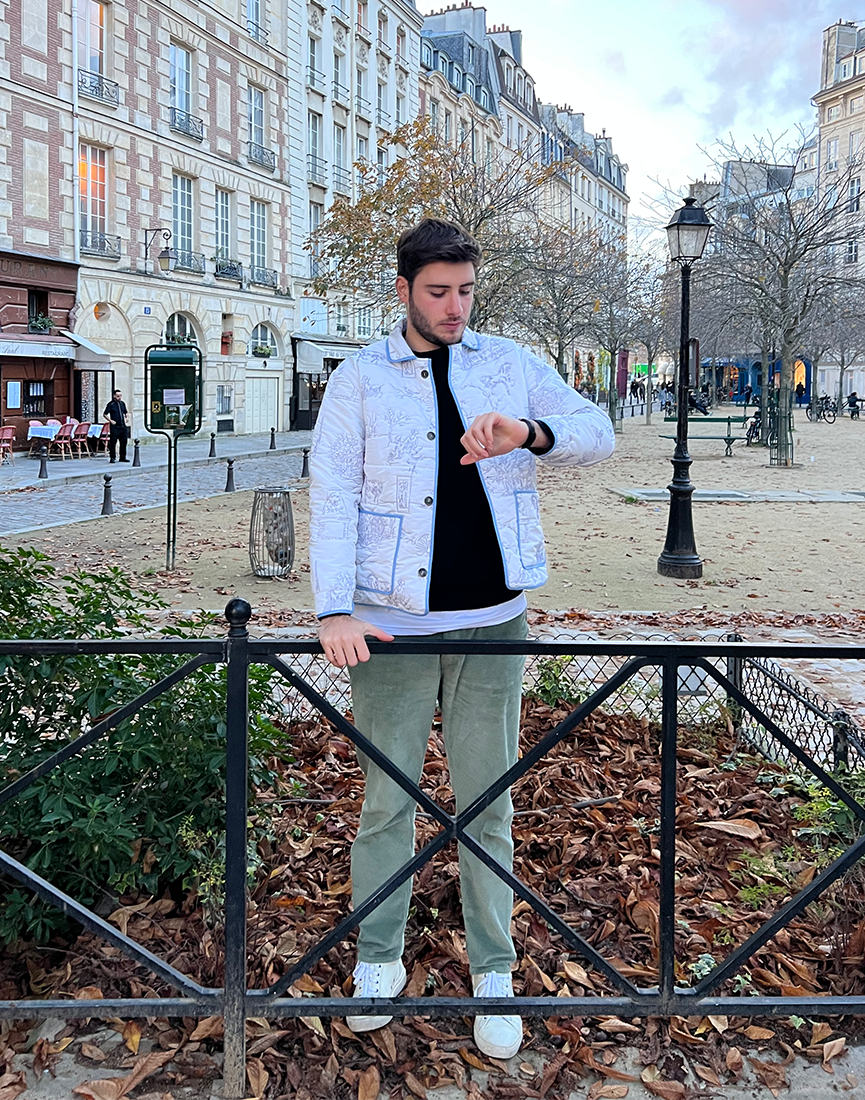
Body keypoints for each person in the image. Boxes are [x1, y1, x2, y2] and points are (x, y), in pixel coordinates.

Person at [309, 218, 614, 1060]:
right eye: (438, 291)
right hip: (389, 624)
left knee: (489, 804)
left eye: (466, 291)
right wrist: (333, 609)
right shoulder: (359, 379)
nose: (454, 307)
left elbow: (596, 431)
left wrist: (530, 433)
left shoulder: (509, 364)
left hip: (493, 621)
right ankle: (379, 959)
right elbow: (330, 494)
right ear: (403, 289)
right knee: (387, 802)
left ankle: (494, 972)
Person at [103, 389, 130, 462]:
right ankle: (112, 457)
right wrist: (110, 420)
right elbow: (105, 414)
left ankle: (122, 457)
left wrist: (127, 417)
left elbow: (126, 412)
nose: (119, 397)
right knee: (113, 442)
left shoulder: (122, 403)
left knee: (124, 441)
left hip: (122, 425)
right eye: (118, 396)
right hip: (115, 426)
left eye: (120, 396)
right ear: (114, 396)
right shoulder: (111, 404)